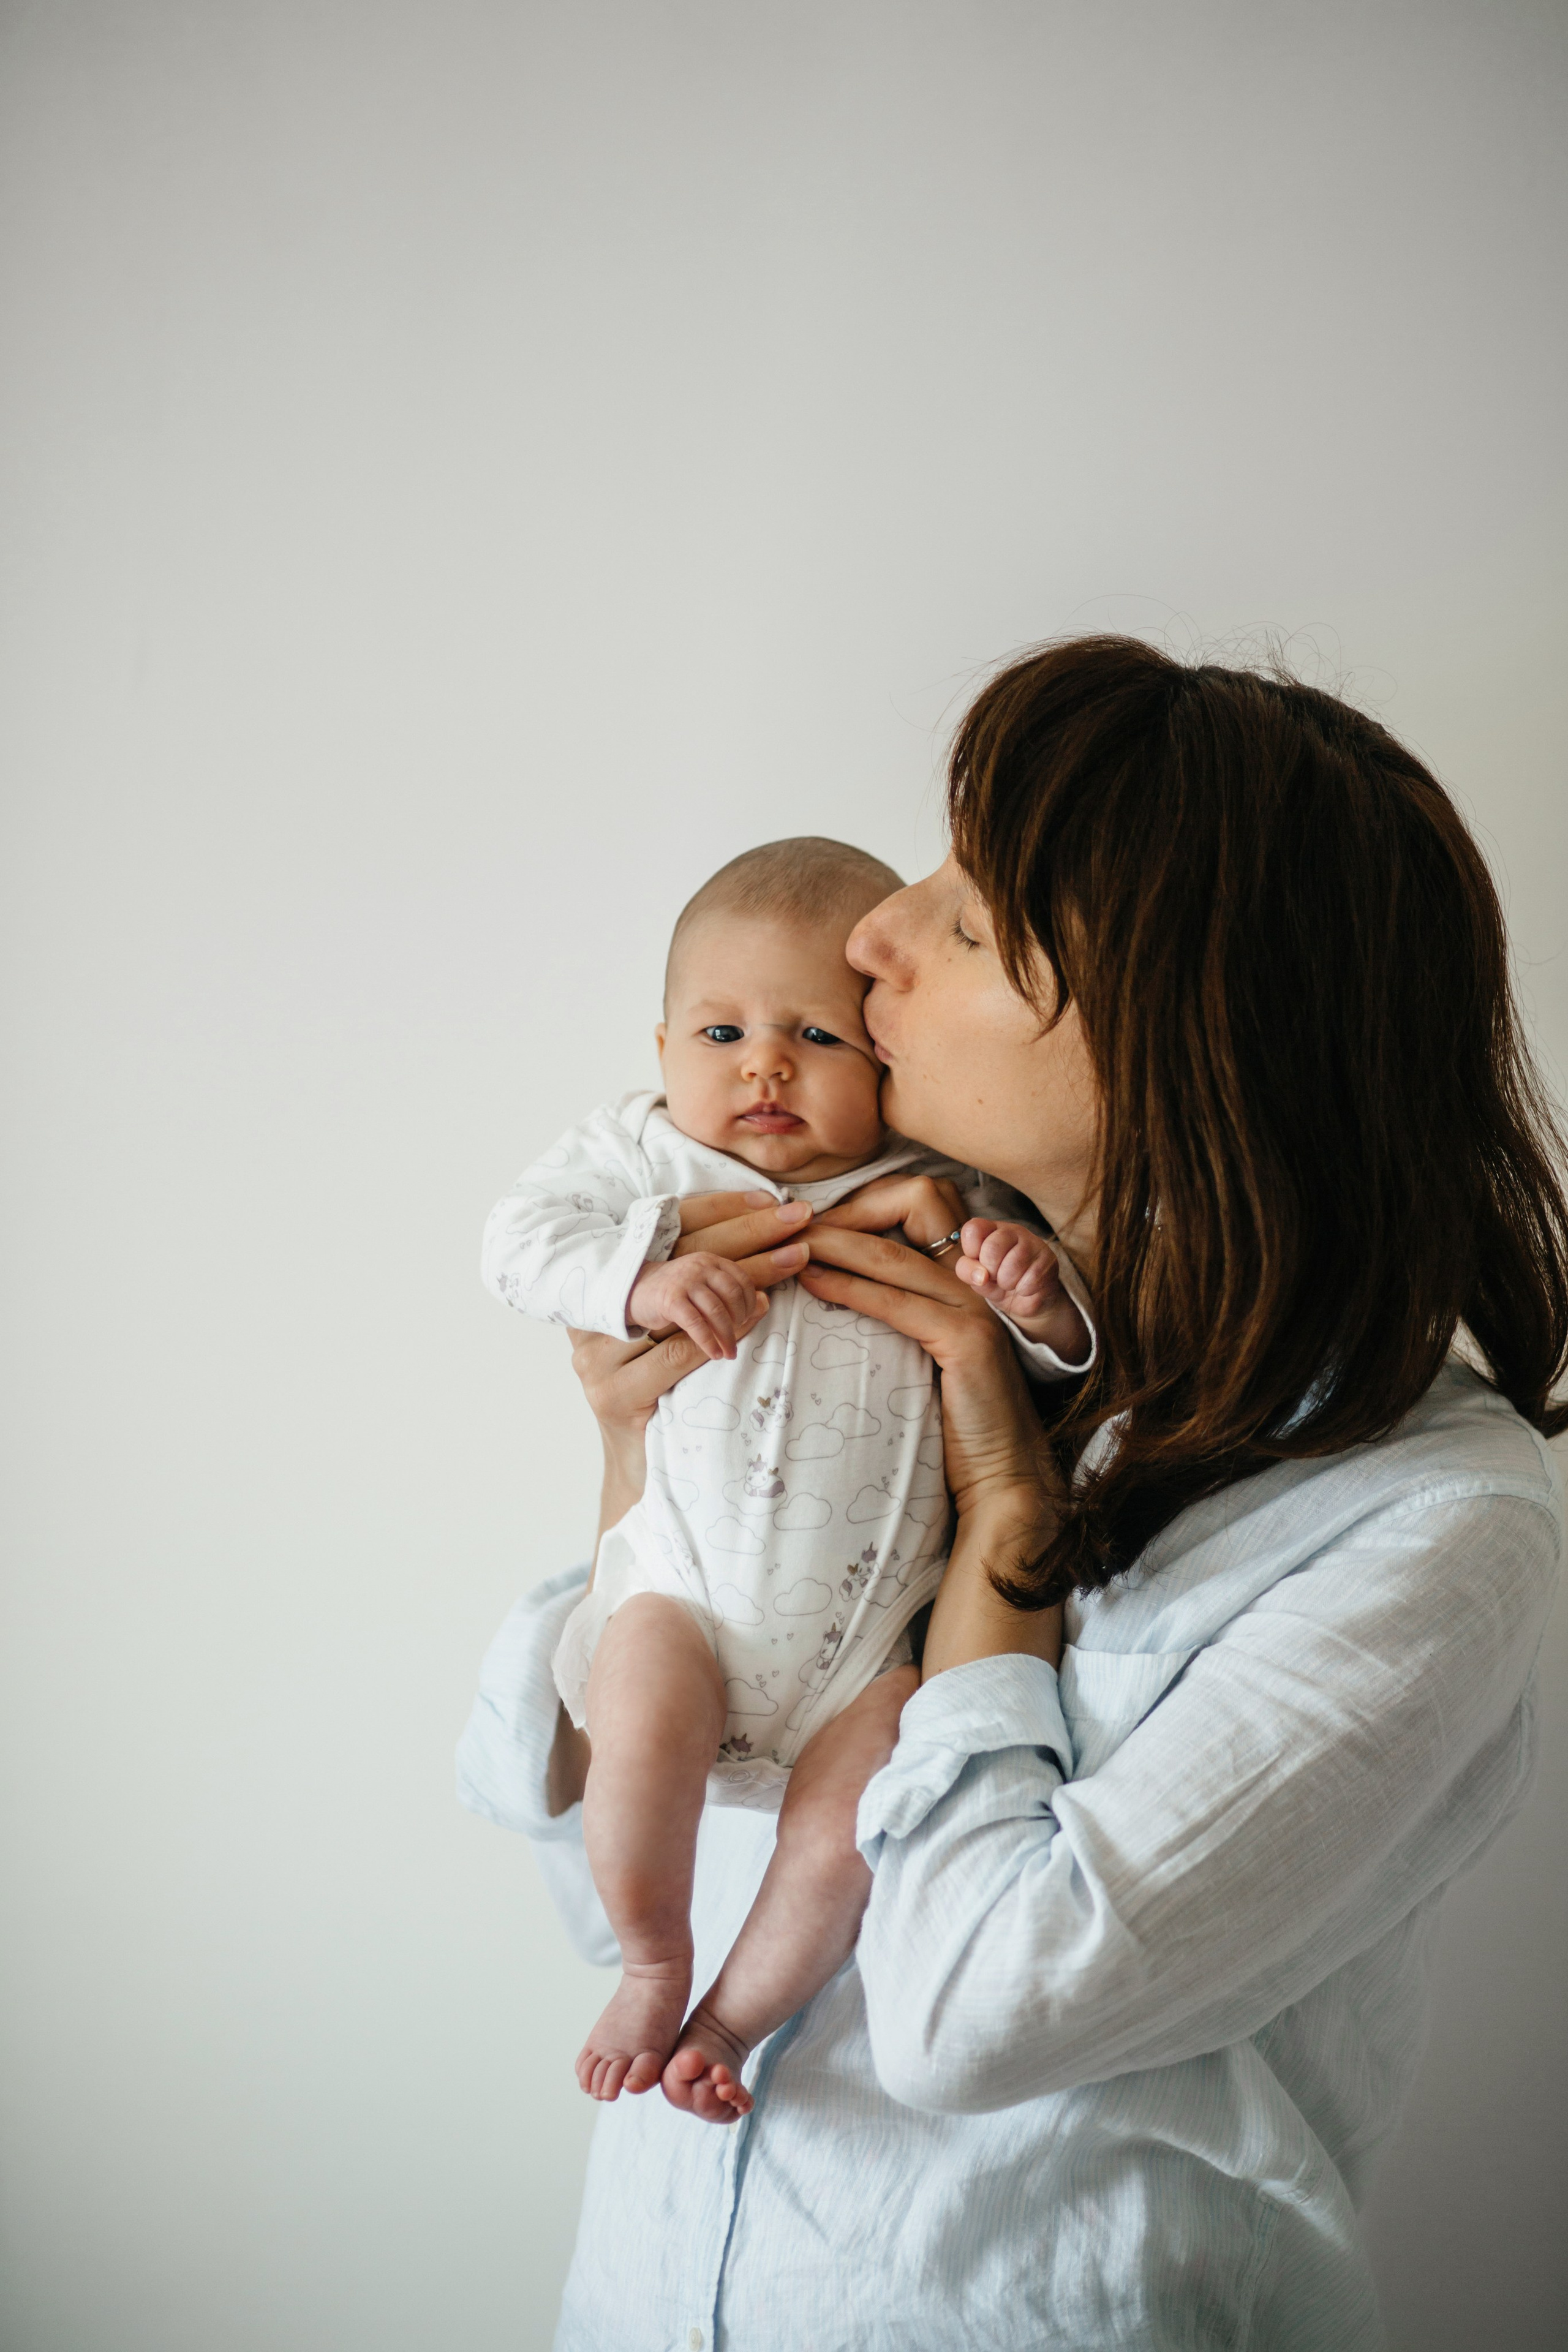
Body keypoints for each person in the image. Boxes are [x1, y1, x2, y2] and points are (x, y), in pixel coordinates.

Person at [458, 637, 1567, 2351]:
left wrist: (1006, 1529)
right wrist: (630, 1477)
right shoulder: (870, 1313)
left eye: (971, 922)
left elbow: (977, 2008)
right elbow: (586, 1870)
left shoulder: (1428, 1522)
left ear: (1184, 1048)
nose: (877, 930)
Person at [478, 837, 1091, 2117]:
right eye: (718, 1033)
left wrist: (1036, 1303)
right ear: (657, 1056)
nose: (762, 1064)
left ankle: (732, 2015)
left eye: (814, 1033)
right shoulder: (644, 1163)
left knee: (847, 1823)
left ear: (882, 1059)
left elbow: (1050, 1352)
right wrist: (637, 1276)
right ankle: (656, 1956)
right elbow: (518, 1242)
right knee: (638, 1719)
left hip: (869, 1650)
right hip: (684, 1605)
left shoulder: (937, 1188)